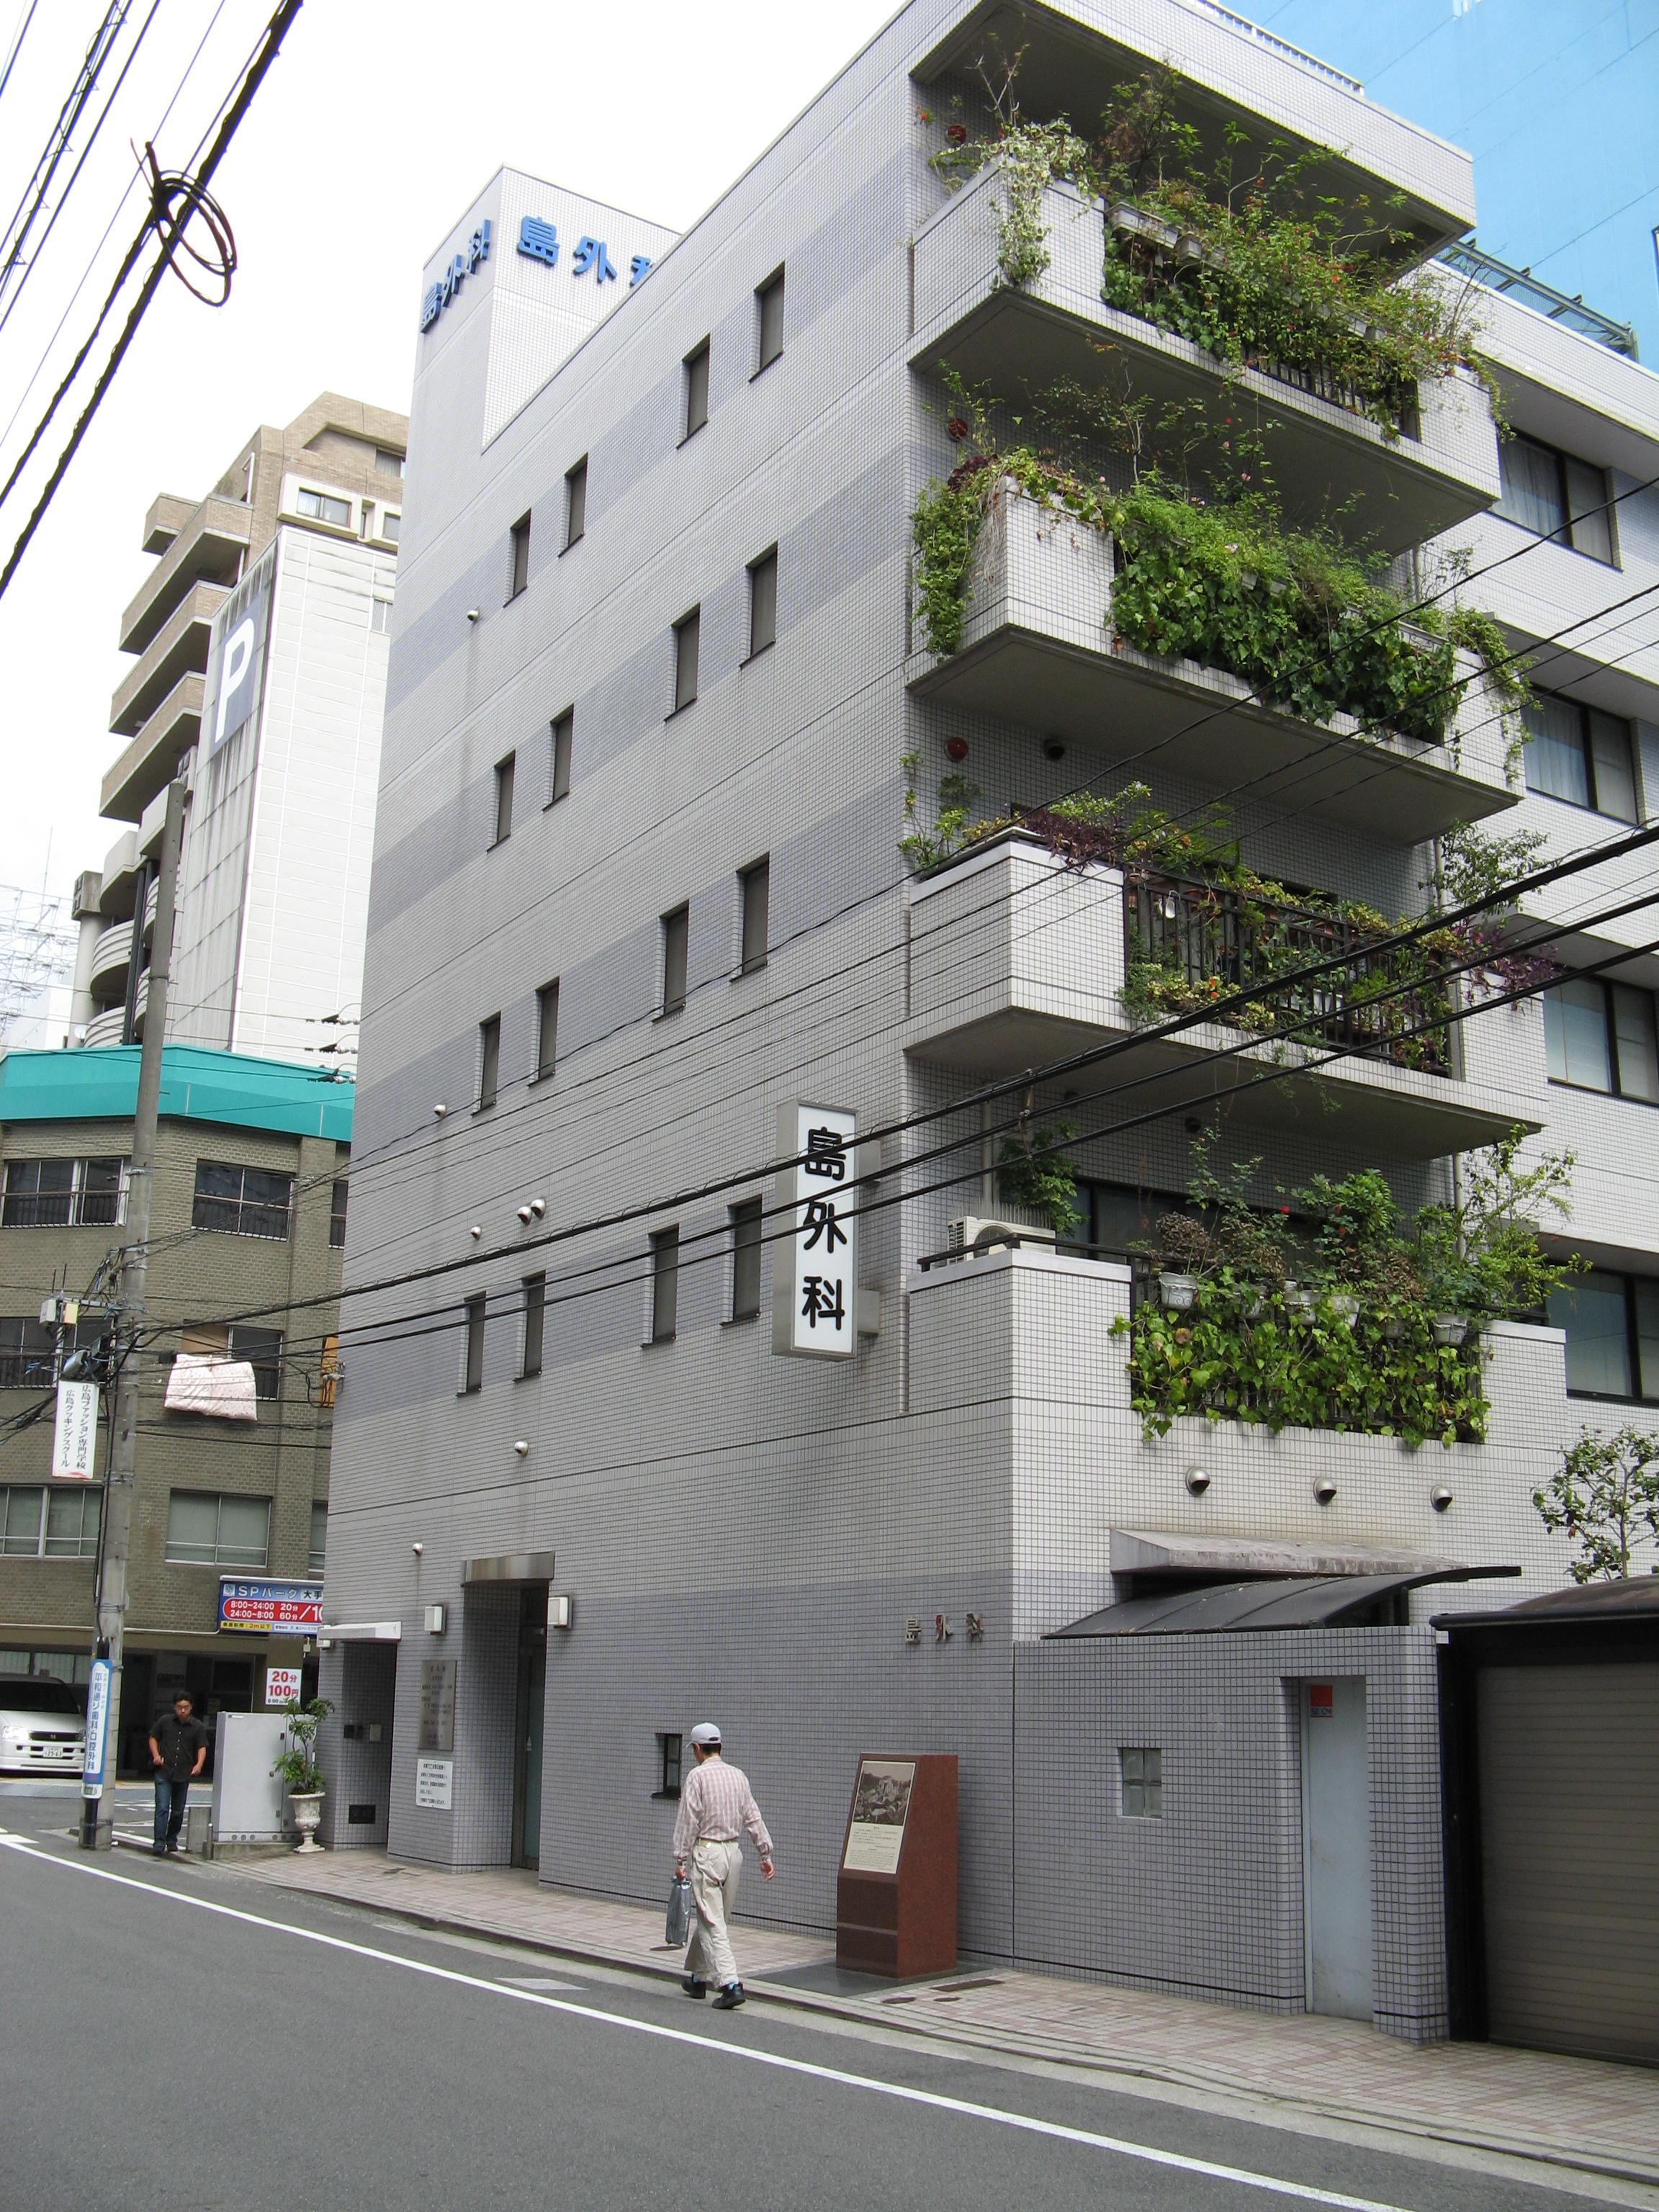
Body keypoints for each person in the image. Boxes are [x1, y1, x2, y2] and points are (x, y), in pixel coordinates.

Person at [673, 1721, 774, 2010]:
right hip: (734, 1854)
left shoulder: (697, 1777)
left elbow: (688, 1821)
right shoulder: (738, 1776)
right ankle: (697, 1978)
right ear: (720, 1747)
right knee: (716, 1918)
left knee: (711, 1920)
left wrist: (680, 1859)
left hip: (707, 1852)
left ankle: (730, 1984)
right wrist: (765, 1855)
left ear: (696, 1749)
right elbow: (752, 1816)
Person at [148, 1692, 209, 1856]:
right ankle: (159, 1843)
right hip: (164, 1771)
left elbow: (202, 1747)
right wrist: (156, 1755)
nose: (182, 1711)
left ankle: (171, 1839)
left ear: (191, 1707)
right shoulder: (165, 1722)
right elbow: (153, 1738)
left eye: (186, 1708)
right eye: (179, 1707)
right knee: (162, 1807)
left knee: (178, 1810)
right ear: (174, 1707)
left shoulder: (197, 1726)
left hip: (183, 1772)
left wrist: (198, 1765)